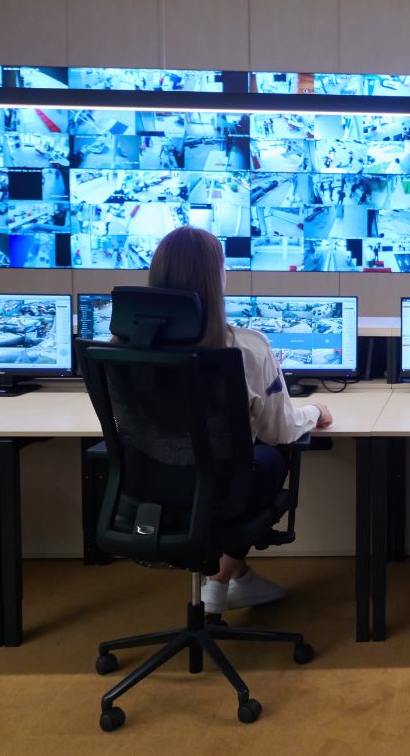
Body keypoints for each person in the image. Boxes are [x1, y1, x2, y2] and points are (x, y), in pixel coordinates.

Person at [143, 226, 334, 616]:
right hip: (223, 492)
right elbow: (278, 429)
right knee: (270, 453)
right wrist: (314, 412)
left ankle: (236, 580)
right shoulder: (245, 345)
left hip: (149, 490)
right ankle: (217, 586)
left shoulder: (125, 347)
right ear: (217, 279)